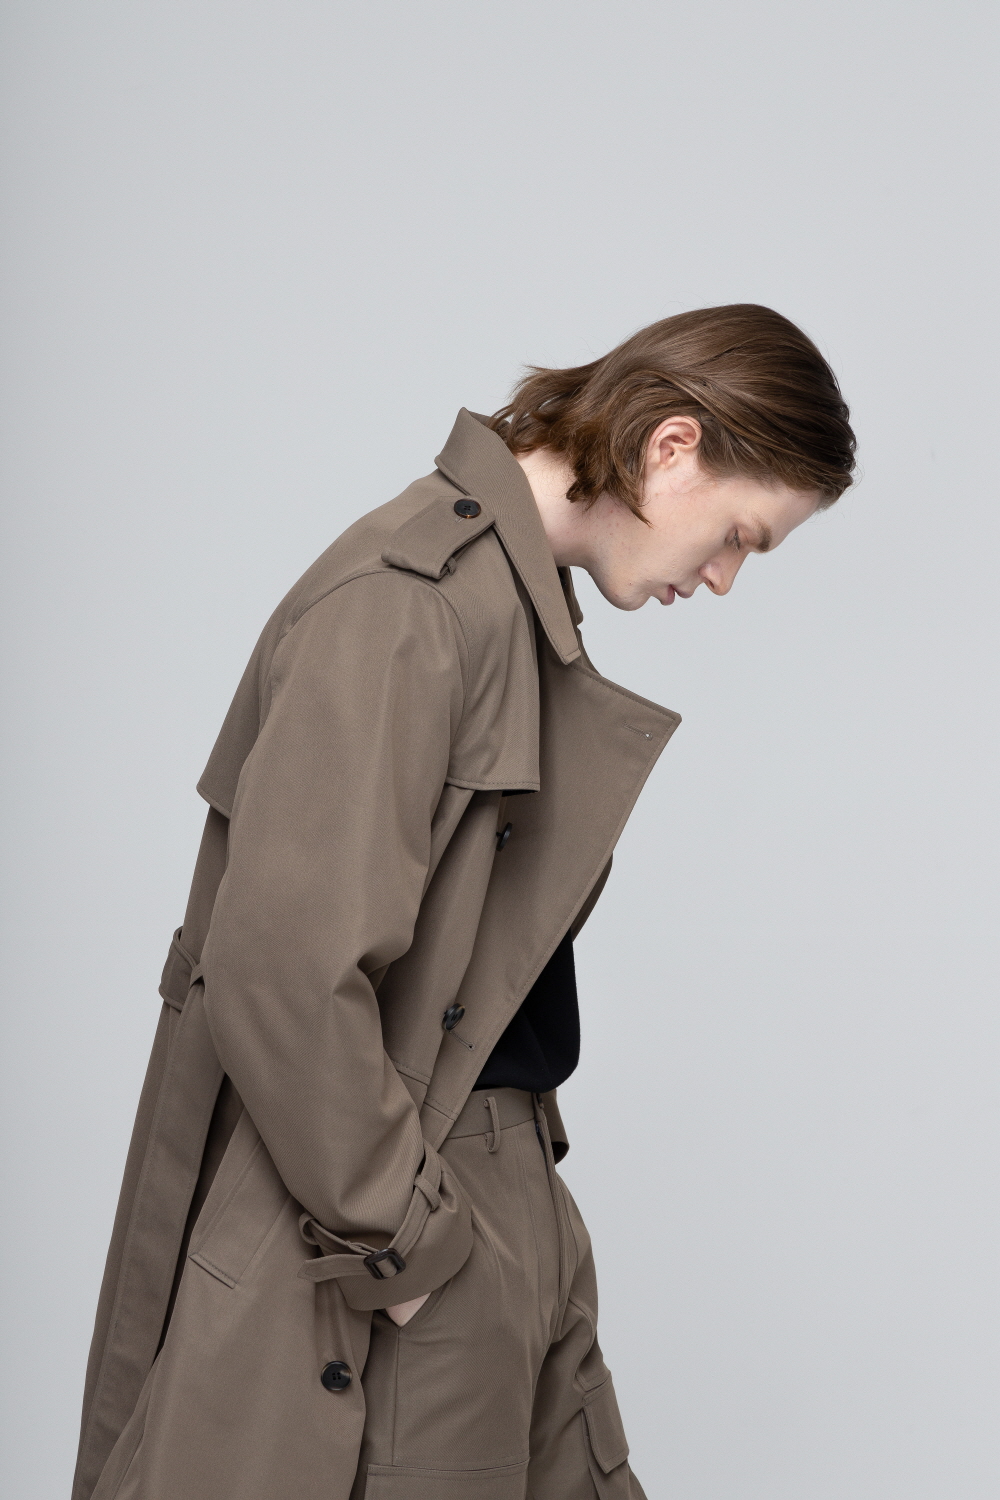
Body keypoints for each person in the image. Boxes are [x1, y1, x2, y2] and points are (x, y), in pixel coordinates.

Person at [72, 304, 856, 1500]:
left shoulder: (507, 601)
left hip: (501, 1185)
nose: (724, 578)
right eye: (740, 535)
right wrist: (412, 1240)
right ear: (672, 446)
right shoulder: (409, 607)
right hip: (404, 1218)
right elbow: (282, 972)